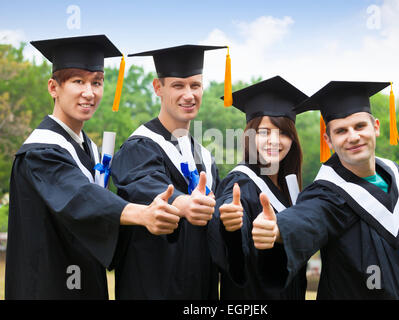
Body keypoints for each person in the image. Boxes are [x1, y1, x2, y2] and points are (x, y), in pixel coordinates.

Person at [5, 35, 181, 299]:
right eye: (78, 81)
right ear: (53, 87)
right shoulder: (41, 152)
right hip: (48, 285)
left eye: (96, 82)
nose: (89, 92)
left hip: (85, 282)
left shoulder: (87, 148)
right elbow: (80, 198)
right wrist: (142, 214)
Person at [252, 81, 399, 299]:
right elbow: (308, 218)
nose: (353, 137)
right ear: (328, 140)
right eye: (341, 131)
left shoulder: (396, 174)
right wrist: (278, 229)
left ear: (376, 127)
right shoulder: (327, 193)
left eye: (359, 126)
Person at [111, 44, 227, 299]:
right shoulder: (140, 146)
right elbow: (143, 184)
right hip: (152, 288)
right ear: (158, 88)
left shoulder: (204, 157)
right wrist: (183, 203)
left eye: (195, 86)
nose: (189, 95)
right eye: (178, 85)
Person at [209, 76, 309, 299]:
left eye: (283, 132)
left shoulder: (292, 189)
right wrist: (230, 226)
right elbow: (231, 237)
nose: (275, 140)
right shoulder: (240, 183)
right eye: (264, 132)